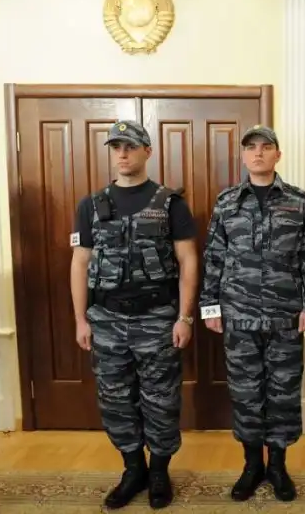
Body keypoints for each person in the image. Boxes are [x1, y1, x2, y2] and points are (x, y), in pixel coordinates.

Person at [70, 120, 199, 510]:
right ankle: (133, 469)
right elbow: (79, 263)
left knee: (162, 400)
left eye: (130, 146)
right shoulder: (91, 205)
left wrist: (185, 317)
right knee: (115, 400)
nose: (122, 153)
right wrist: (80, 319)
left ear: (148, 151)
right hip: (106, 319)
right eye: (116, 147)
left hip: (157, 318)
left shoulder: (170, 204)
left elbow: (188, 260)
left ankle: (158, 471)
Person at [198, 125, 305, 502]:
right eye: (251, 147)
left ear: (277, 155)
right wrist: (210, 307)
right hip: (238, 316)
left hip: (286, 317)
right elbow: (214, 258)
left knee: (283, 393)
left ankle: (278, 467)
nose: (258, 153)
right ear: (243, 156)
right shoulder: (227, 202)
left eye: (266, 147)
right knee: (246, 393)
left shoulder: (297, 201)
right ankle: (252, 465)